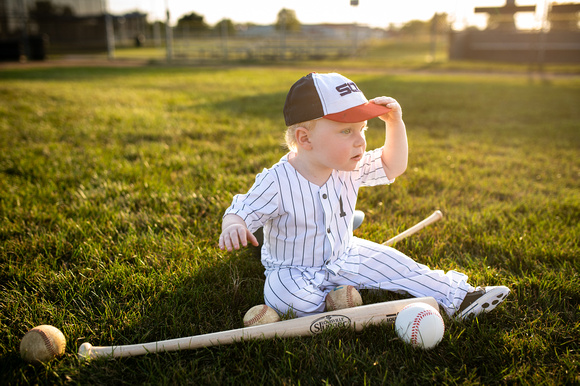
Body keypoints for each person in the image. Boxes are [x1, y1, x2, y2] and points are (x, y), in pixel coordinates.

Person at [219, 72, 509, 320]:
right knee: (290, 299)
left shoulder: (350, 165)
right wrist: (234, 225)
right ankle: (327, 302)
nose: (360, 141)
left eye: (363, 129)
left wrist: (395, 124)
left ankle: (462, 297)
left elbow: (392, 165)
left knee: (403, 267)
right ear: (305, 139)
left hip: (346, 254)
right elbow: (241, 209)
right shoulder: (277, 181)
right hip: (294, 268)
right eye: (346, 131)